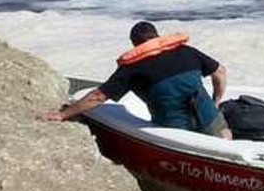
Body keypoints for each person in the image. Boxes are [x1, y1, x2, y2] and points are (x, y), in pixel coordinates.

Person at [41, 21, 232, 138]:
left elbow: (98, 97)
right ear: (157, 36)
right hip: (209, 117)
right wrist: (216, 101)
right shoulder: (187, 51)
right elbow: (220, 72)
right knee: (222, 133)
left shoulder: (132, 67)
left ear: (134, 44)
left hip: (172, 129)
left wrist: (63, 115)